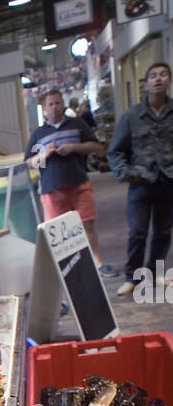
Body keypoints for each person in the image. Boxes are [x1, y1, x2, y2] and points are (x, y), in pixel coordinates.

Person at [25, 89, 111, 273]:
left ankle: (98, 264)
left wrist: (74, 148)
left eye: (57, 103)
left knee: (88, 225)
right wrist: (44, 154)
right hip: (51, 189)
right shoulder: (38, 134)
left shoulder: (78, 124)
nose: (54, 107)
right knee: (57, 234)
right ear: (44, 108)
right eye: (51, 104)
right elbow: (29, 163)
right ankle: (67, 271)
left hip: (79, 184)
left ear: (63, 105)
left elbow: (96, 148)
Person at [106, 61, 173, 297]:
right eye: (153, 75)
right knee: (138, 232)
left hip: (168, 181)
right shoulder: (132, 116)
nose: (158, 79)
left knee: (164, 232)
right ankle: (132, 276)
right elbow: (115, 151)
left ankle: (154, 273)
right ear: (145, 85)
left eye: (163, 75)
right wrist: (127, 174)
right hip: (141, 182)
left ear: (169, 81)